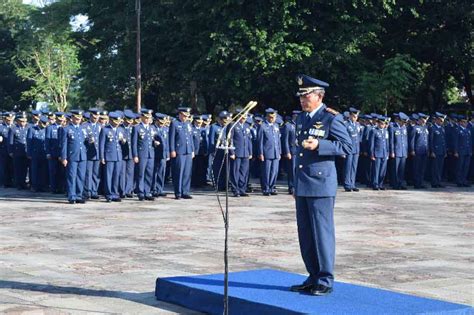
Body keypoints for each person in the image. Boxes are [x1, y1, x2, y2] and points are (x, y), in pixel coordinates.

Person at [290, 74, 352, 296]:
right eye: (300, 96)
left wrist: (320, 144)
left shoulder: (331, 118)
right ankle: (312, 275)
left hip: (321, 183)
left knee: (322, 232)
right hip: (304, 183)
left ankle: (325, 278)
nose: (301, 99)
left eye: (305, 95)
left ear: (318, 96)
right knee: (305, 232)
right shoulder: (301, 118)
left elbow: (347, 146)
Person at [60, 110, 87, 204]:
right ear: (72, 118)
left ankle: (79, 195)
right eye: (76, 118)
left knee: (81, 176)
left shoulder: (83, 128)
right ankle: (72, 196)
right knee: (72, 176)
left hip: (82, 156)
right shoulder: (66, 129)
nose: (78, 120)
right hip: (72, 156)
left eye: (79, 119)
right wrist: (64, 157)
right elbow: (63, 144)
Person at [169, 107, 195, 199]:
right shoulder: (175, 123)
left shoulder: (188, 124)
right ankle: (178, 192)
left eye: (187, 116)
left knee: (187, 172)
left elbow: (190, 138)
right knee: (179, 172)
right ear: (180, 114)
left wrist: (192, 150)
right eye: (184, 116)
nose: (185, 117)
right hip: (179, 151)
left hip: (188, 151)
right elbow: (171, 138)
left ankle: (185, 191)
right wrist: (172, 150)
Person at [99, 112, 125, 202]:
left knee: (116, 175)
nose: (117, 123)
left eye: (118, 121)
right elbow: (101, 144)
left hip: (118, 156)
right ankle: (108, 194)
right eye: (115, 121)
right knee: (108, 176)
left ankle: (115, 193)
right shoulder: (105, 130)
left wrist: (123, 141)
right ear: (111, 120)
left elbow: (122, 143)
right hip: (109, 156)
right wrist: (102, 156)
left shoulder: (120, 130)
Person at [132, 108, 156, 201]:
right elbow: (134, 143)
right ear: (142, 117)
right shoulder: (137, 128)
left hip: (151, 154)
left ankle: (147, 192)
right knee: (141, 174)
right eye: (146, 117)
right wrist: (135, 155)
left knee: (149, 174)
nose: (147, 119)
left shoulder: (151, 128)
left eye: (149, 118)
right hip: (141, 154)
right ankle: (140, 192)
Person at [257, 108, 282, 196]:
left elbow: (278, 140)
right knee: (266, 171)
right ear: (267, 117)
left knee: (274, 171)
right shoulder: (263, 126)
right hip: (267, 152)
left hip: (275, 152)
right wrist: (260, 153)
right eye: (271, 117)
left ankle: (272, 187)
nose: (273, 119)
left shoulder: (276, 126)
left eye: (274, 117)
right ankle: (266, 188)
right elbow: (260, 141)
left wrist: (279, 152)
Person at [229, 109, 252, 197]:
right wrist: (232, 152)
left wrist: (250, 152)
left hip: (245, 152)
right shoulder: (233, 125)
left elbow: (249, 140)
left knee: (244, 172)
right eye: (242, 117)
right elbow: (230, 139)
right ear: (238, 116)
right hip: (237, 152)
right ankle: (235, 189)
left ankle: (242, 189)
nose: (244, 119)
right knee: (235, 172)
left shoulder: (246, 126)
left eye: (245, 117)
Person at [83, 108, 102, 199]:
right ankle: (87, 191)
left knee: (96, 173)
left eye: (97, 117)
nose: (96, 119)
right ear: (90, 116)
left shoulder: (100, 126)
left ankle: (94, 191)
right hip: (89, 153)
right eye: (94, 117)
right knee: (88, 173)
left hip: (97, 153)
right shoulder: (85, 125)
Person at [26, 116, 48, 192]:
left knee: (43, 170)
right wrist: (29, 153)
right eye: (43, 123)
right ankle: (34, 186)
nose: (44, 125)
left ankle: (42, 186)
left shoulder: (46, 129)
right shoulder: (32, 129)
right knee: (34, 170)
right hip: (35, 153)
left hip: (44, 153)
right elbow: (29, 142)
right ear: (39, 122)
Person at [8, 112, 29, 189]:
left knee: (24, 169)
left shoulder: (28, 128)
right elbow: (10, 141)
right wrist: (10, 151)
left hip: (25, 151)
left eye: (24, 121)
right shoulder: (13, 128)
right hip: (17, 152)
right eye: (21, 121)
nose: (23, 123)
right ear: (18, 121)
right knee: (17, 169)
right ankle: (18, 184)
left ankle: (23, 183)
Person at [388, 112, 409, 189]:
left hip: (403, 151)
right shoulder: (393, 127)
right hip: (396, 151)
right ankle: (395, 184)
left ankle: (400, 183)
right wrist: (392, 151)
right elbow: (391, 141)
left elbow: (405, 140)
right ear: (399, 121)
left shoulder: (404, 128)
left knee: (401, 169)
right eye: (403, 122)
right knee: (395, 169)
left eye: (405, 123)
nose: (404, 124)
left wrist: (406, 151)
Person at [369, 116, 390, 190]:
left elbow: (387, 143)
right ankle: (375, 184)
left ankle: (381, 184)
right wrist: (372, 154)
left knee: (382, 171)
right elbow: (372, 143)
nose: (382, 125)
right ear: (378, 123)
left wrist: (388, 152)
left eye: (384, 124)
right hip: (377, 153)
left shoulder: (385, 131)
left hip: (384, 153)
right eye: (381, 123)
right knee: (376, 170)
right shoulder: (374, 131)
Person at [343, 107, 361, 192]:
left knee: (354, 167)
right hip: (349, 149)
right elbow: (344, 138)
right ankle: (347, 184)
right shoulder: (346, 124)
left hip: (356, 149)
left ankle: (352, 184)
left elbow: (358, 137)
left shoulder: (357, 125)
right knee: (348, 167)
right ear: (350, 115)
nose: (355, 118)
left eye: (356, 116)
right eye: (354, 116)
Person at [409, 113, 429, 188]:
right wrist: (412, 150)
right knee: (417, 168)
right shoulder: (415, 128)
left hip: (424, 150)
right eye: (423, 120)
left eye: (425, 120)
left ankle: (421, 182)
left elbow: (427, 140)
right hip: (417, 150)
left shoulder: (426, 128)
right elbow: (412, 140)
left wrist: (428, 149)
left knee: (422, 168)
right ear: (419, 120)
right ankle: (416, 183)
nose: (424, 121)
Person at [281, 110, 299, 194]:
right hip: (292, 151)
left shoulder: (300, 126)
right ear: (294, 116)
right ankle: (291, 187)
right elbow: (285, 140)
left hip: (299, 151)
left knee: (298, 170)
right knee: (292, 170)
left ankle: (297, 186)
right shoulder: (288, 126)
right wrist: (287, 152)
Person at [453, 115, 472, 187]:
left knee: (466, 167)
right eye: (463, 122)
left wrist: (470, 150)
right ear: (460, 122)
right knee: (460, 166)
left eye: (466, 122)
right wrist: (456, 151)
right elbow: (456, 141)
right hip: (460, 151)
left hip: (467, 151)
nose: (465, 123)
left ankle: (464, 180)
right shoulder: (457, 130)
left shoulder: (468, 130)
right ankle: (459, 181)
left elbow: (469, 141)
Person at [429, 112, 447, 188]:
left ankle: (438, 181)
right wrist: (432, 151)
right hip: (436, 151)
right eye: (440, 120)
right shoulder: (432, 128)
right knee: (435, 168)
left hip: (441, 151)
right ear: (436, 120)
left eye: (442, 121)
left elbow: (444, 141)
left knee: (440, 168)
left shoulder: (442, 129)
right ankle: (434, 182)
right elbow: (431, 140)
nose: (442, 122)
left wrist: (445, 151)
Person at [0, 112, 15, 188]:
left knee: (12, 167)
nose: (10, 121)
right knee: (4, 167)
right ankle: (4, 182)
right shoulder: (1, 127)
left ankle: (11, 181)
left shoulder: (14, 126)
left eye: (11, 120)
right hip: (4, 150)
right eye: (8, 120)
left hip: (13, 150)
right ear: (5, 119)